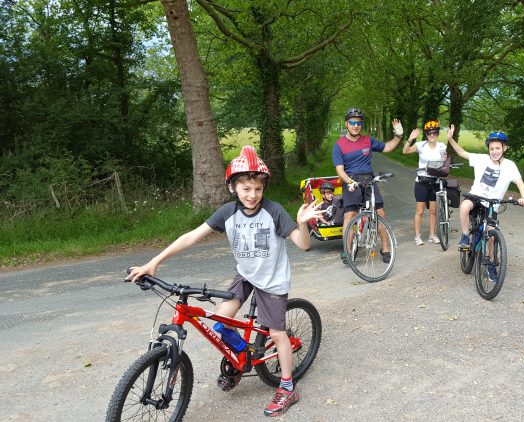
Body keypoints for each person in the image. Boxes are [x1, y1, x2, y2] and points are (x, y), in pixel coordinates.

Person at [126, 145, 325, 417]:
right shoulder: (227, 213)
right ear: (233, 188)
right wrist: (154, 262)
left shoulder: (274, 211)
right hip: (245, 275)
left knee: (278, 334)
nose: (252, 195)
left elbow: (303, 245)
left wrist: (302, 223)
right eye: (245, 189)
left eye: (257, 188)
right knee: (221, 323)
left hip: (272, 281)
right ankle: (245, 355)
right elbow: (191, 236)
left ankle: (288, 387)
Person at [446, 125, 524, 281]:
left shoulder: (510, 165)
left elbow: (519, 182)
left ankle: (491, 265)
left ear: (505, 148)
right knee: (464, 207)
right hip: (476, 197)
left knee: (491, 236)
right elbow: (462, 152)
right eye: (491, 148)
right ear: (488, 149)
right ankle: (465, 237)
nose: (494, 151)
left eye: (498, 148)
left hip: (492, 204)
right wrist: (450, 139)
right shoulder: (481, 159)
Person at [332, 107, 404, 264]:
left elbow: (387, 147)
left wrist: (398, 135)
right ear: (346, 124)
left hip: (368, 179)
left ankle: (385, 248)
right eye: (352, 122)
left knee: (380, 213)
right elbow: (340, 170)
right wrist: (350, 182)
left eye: (358, 122)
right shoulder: (339, 145)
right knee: (349, 215)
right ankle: (347, 250)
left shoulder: (368, 140)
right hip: (351, 180)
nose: (355, 125)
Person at [402, 119, 447, 245]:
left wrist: (444, 162)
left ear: (437, 133)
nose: (431, 135)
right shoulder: (420, 145)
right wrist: (410, 139)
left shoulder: (442, 146)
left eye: (434, 132)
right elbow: (405, 151)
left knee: (433, 210)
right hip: (421, 181)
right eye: (429, 133)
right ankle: (417, 236)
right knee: (420, 211)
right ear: (426, 134)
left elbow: (444, 162)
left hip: (435, 182)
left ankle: (432, 235)